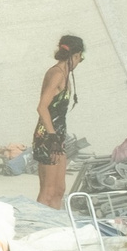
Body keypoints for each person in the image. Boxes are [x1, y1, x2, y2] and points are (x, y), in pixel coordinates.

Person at [33, 34, 87, 209]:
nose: (80, 62)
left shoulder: (65, 73)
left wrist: (58, 138)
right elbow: (42, 107)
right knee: (48, 190)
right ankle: (39, 226)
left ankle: (54, 225)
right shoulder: (56, 74)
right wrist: (52, 137)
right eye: (81, 58)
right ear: (76, 55)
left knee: (59, 189)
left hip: (58, 135)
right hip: (49, 136)